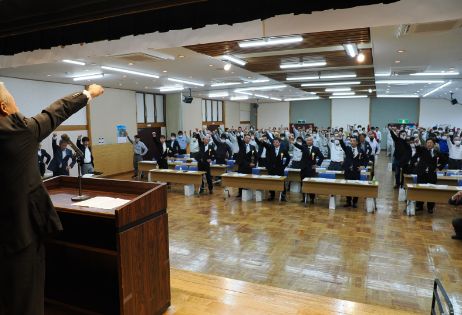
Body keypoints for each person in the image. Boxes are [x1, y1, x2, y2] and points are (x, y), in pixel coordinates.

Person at [0, 83, 104, 315]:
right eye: (15, 101)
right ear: (4, 107)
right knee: (26, 301)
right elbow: (57, 110)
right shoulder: (18, 131)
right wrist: (89, 93)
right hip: (20, 236)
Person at [414, 138, 447, 213]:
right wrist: (417, 144)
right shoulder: (423, 150)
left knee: (431, 191)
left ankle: (430, 207)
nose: (429, 144)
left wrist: (439, 168)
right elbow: (418, 149)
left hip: (431, 174)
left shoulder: (437, 152)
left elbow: (445, 160)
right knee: (420, 190)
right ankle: (419, 205)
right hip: (422, 173)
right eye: (427, 142)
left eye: (430, 142)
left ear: (434, 144)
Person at [257, 136, 290, 201]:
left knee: (282, 182)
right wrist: (262, 141)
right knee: (271, 182)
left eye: (277, 142)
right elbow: (265, 144)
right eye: (274, 142)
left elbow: (288, 158)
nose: (275, 143)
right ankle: (272, 195)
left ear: (279, 143)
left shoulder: (283, 149)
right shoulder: (270, 147)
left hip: (280, 168)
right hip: (271, 168)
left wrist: (284, 165)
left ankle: (283, 196)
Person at [293, 136, 324, 203]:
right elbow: (297, 145)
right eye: (308, 140)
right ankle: (304, 198)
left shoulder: (316, 149)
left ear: (312, 141)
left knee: (311, 184)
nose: (309, 141)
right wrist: (293, 142)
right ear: (306, 141)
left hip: (311, 169)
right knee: (303, 183)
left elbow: (321, 157)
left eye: (310, 140)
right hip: (303, 169)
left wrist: (317, 165)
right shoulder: (304, 147)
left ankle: (312, 198)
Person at [339, 136, 369, 208]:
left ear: (357, 142)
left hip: (356, 171)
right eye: (351, 141)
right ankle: (348, 201)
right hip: (348, 171)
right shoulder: (348, 149)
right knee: (348, 186)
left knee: (356, 187)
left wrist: (363, 166)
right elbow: (343, 145)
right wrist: (340, 139)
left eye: (353, 141)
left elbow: (366, 159)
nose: (351, 142)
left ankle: (355, 202)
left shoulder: (361, 150)